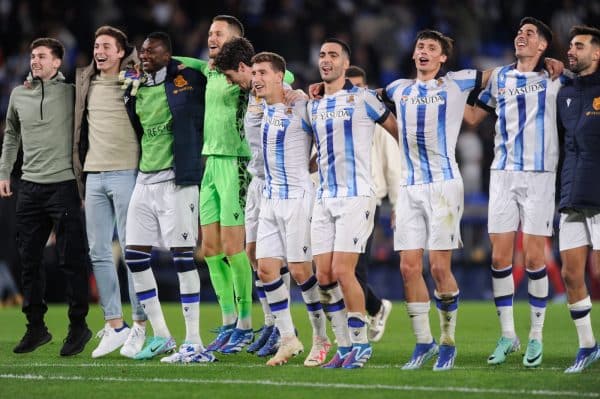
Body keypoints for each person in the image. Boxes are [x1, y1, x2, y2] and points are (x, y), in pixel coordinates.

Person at [214, 39, 331, 367]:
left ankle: (321, 338)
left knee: (298, 270)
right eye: (254, 73)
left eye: (263, 72)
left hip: (296, 197)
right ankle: (288, 338)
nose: (256, 78)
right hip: (269, 197)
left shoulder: (302, 106)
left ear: (281, 77)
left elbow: (326, 136)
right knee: (265, 269)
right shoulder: (258, 110)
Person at [464, 17, 569, 368]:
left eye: (530, 35)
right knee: (498, 258)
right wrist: (444, 95)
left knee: (536, 258)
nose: (521, 36)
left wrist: (563, 64)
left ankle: (536, 336)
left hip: (539, 175)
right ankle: (509, 335)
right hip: (502, 174)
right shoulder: (498, 77)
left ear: (542, 46)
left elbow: (586, 80)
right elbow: (474, 118)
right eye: (519, 33)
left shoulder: (554, 77)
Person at [383, 29, 484, 371]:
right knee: (408, 267)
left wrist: (543, 65)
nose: (424, 51)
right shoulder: (397, 88)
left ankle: (447, 342)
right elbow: (365, 96)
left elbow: (499, 74)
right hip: (409, 189)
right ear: (414, 55)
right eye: (420, 46)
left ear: (442, 58)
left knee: (439, 267)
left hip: (443, 185)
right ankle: (423, 341)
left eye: (432, 48)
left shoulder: (456, 83)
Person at [121, 32, 214, 363]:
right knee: (134, 257)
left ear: (168, 54)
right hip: (144, 180)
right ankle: (162, 335)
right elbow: (136, 126)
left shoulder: (188, 77)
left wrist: (187, 62)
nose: (144, 55)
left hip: (178, 180)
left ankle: (194, 342)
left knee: (182, 258)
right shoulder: (135, 85)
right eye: (142, 51)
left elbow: (218, 75)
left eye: (152, 51)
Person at [309, 38, 398, 369]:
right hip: (324, 197)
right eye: (322, 55)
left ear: (346, 64)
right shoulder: (312, 104)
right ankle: (344, 345)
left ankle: (360, 346)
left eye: (333, 55)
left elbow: (396, 130)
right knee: (324, 276)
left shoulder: (365, 100)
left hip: (358, 195)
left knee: (346, 271)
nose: (326, 59)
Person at [0, 37, 91, 356]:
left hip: (64, 186)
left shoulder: (71, 94)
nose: (34, 61)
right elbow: (11, 134)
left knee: (71, 260)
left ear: (57, 62)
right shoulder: (18, 95)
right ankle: (35, 328)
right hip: (29, 187)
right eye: (32, 56)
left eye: (41, 56)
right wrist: (4, 172)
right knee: (28, 260)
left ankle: (78, 326)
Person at [174, 16, 255, 353]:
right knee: (210, 250)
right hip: (210, 164)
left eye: (218, 33)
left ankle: (246, 326)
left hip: (236, 162)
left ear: (235, 39)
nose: (211, 37)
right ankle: (226, 321)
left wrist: (251, 73)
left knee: (235, 249)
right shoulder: (209, 70)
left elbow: (285, 74)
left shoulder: (248, 68)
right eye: (208, 32)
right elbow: (182, 60)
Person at [212, 38, 296, 358]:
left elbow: (285, 79)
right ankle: (271, 322)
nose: (233, 83)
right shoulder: (251, 94)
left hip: (279, 183)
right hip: (257, 182)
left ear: (246, 69)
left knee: (273, 260)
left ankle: (281, 327)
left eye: (234, 76)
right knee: (253, 254)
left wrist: (291, 90)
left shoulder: (274, 85)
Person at [72, 25, 147, 359]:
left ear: (120, 52)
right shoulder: (84, 82)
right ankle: (116, 325)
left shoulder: (134, 80)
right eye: (96, 45)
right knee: (98, 252)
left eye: (106, 46)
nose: (99, 50)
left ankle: (141, 325)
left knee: (133, 252)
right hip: (93, 175)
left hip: (127, 172)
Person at [556, 25, 600, 373]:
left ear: (596, 53)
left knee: (598, 271)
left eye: (579, 46)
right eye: (570, 45)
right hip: (571, 195)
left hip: (598, 195)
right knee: (572, 274)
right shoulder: (565, 93)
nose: (572, 51)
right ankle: (587, 346)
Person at [345, 65, 398, 343]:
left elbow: (393, 164)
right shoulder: (336, 114)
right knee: (334, 268)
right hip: (336, 197)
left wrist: (398, 205)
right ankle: (375, 306)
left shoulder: (376, 120)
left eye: (358, 86)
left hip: (369, 198)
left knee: (356, 266)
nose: (353, 92)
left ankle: (360, 322)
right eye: (349, 86)